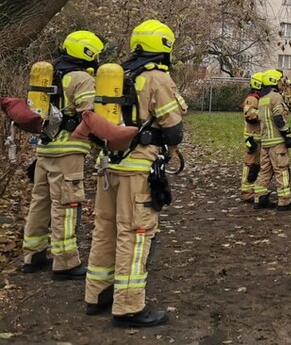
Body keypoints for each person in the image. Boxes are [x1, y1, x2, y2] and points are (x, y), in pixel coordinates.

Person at [84, 19, 186, 327]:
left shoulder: (118, 75)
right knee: (136, 234)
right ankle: (128, 307)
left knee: (105, 230)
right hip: (137, 169)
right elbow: (174, 131)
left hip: (109, 165)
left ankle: (96, 295)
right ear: (165, 48)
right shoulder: (156, 78)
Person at [21, 30, 104, 279]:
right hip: (68, 152)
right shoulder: (81, 78)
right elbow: (90, 116)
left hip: (45, 149)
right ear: (88, 53)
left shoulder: (50, 74)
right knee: (66, 205)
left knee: (40, 202)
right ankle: (66, 262)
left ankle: (33, 255)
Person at [252, 69, 291, 211]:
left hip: (265, 141)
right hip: (277, 142)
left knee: (265, 171)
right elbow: (279, 118)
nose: (280, 83)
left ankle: (259, 198)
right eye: (279, 80)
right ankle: (285, 201)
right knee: (281, 170)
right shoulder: (275, 97)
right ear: (273, 81)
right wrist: (287, 136)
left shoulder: (262, 99)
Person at [240, 72, 263, 203]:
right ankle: (247, 192)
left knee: (257, 165)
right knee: (251, 165)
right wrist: (265, 113)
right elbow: (250, 116)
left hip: (258, 137)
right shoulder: (253, 99)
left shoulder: (258, 98)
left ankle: (253, 190)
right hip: (252, 139)